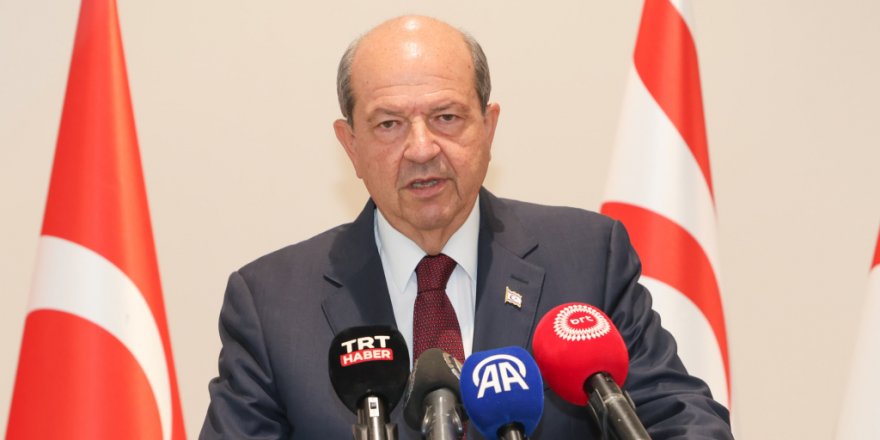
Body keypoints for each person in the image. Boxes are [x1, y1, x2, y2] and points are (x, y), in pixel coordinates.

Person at [200, 15, 733, 439]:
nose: (421, 148)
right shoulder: (271, 304)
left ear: (489, 126)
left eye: (446, 117)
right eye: (389, 124)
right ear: (350, 145)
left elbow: (684, 420)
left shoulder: (589, 260)